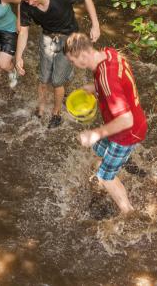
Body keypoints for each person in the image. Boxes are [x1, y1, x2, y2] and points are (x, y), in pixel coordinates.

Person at [64, 33, 147, 214]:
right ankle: (125, 163)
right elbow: (119, 82)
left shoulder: (106, 79)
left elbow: (126, 120)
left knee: (105, 176)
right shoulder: (108, 54)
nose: (73, 65)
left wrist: (95, 133)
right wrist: (95, 88)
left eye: (72, 61)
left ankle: (129, 214)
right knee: (98, 151)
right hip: (129, 123)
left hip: (127, 132)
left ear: (84, 56)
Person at [15, 0, 100, 128]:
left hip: (70, 39)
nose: (31, 3)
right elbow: (24, 31)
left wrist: (95, 25)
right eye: (27, 0)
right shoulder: (25, 4)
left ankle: (56, 114)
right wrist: (19, 56)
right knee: (43, 78)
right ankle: (40, 109)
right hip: (47, 38)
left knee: (56, 81)